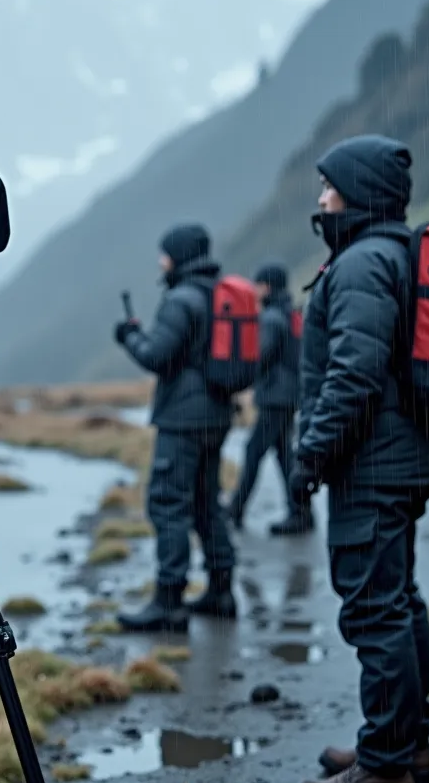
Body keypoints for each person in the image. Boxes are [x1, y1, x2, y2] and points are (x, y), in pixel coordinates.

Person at [292, 136, 429, 783]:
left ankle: (384, 768)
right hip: (401, 458)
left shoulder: (361, 264)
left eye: (328, 185)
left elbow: (354, 374)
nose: (320, 198)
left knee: (375, 612)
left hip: (373, 467)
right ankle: (404, 743)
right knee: (399, 602)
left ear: (354, 190)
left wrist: (312, 455)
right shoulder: (394, 253)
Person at [113, 224, 235, 631]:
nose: (161, 261)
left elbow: (156, 357)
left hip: (183, 420)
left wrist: (129, 336)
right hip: (216, 416)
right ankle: (222, 590)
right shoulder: (217, 294)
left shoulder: (181, 299)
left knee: (168, 504)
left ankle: (169, 602)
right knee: (206, 503)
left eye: (165, 254)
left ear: (179, 256)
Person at [225, 262, 311, 534]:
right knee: (285, 456)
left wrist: (237, 382)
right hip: (287, 395)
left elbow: (260, 356)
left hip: (276, 397)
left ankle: (236, 510)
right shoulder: (289, 313)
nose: (254, 289)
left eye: (258, 284)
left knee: (254, 452)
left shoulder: (271, 318)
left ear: (267, 286)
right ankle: (301, 513)